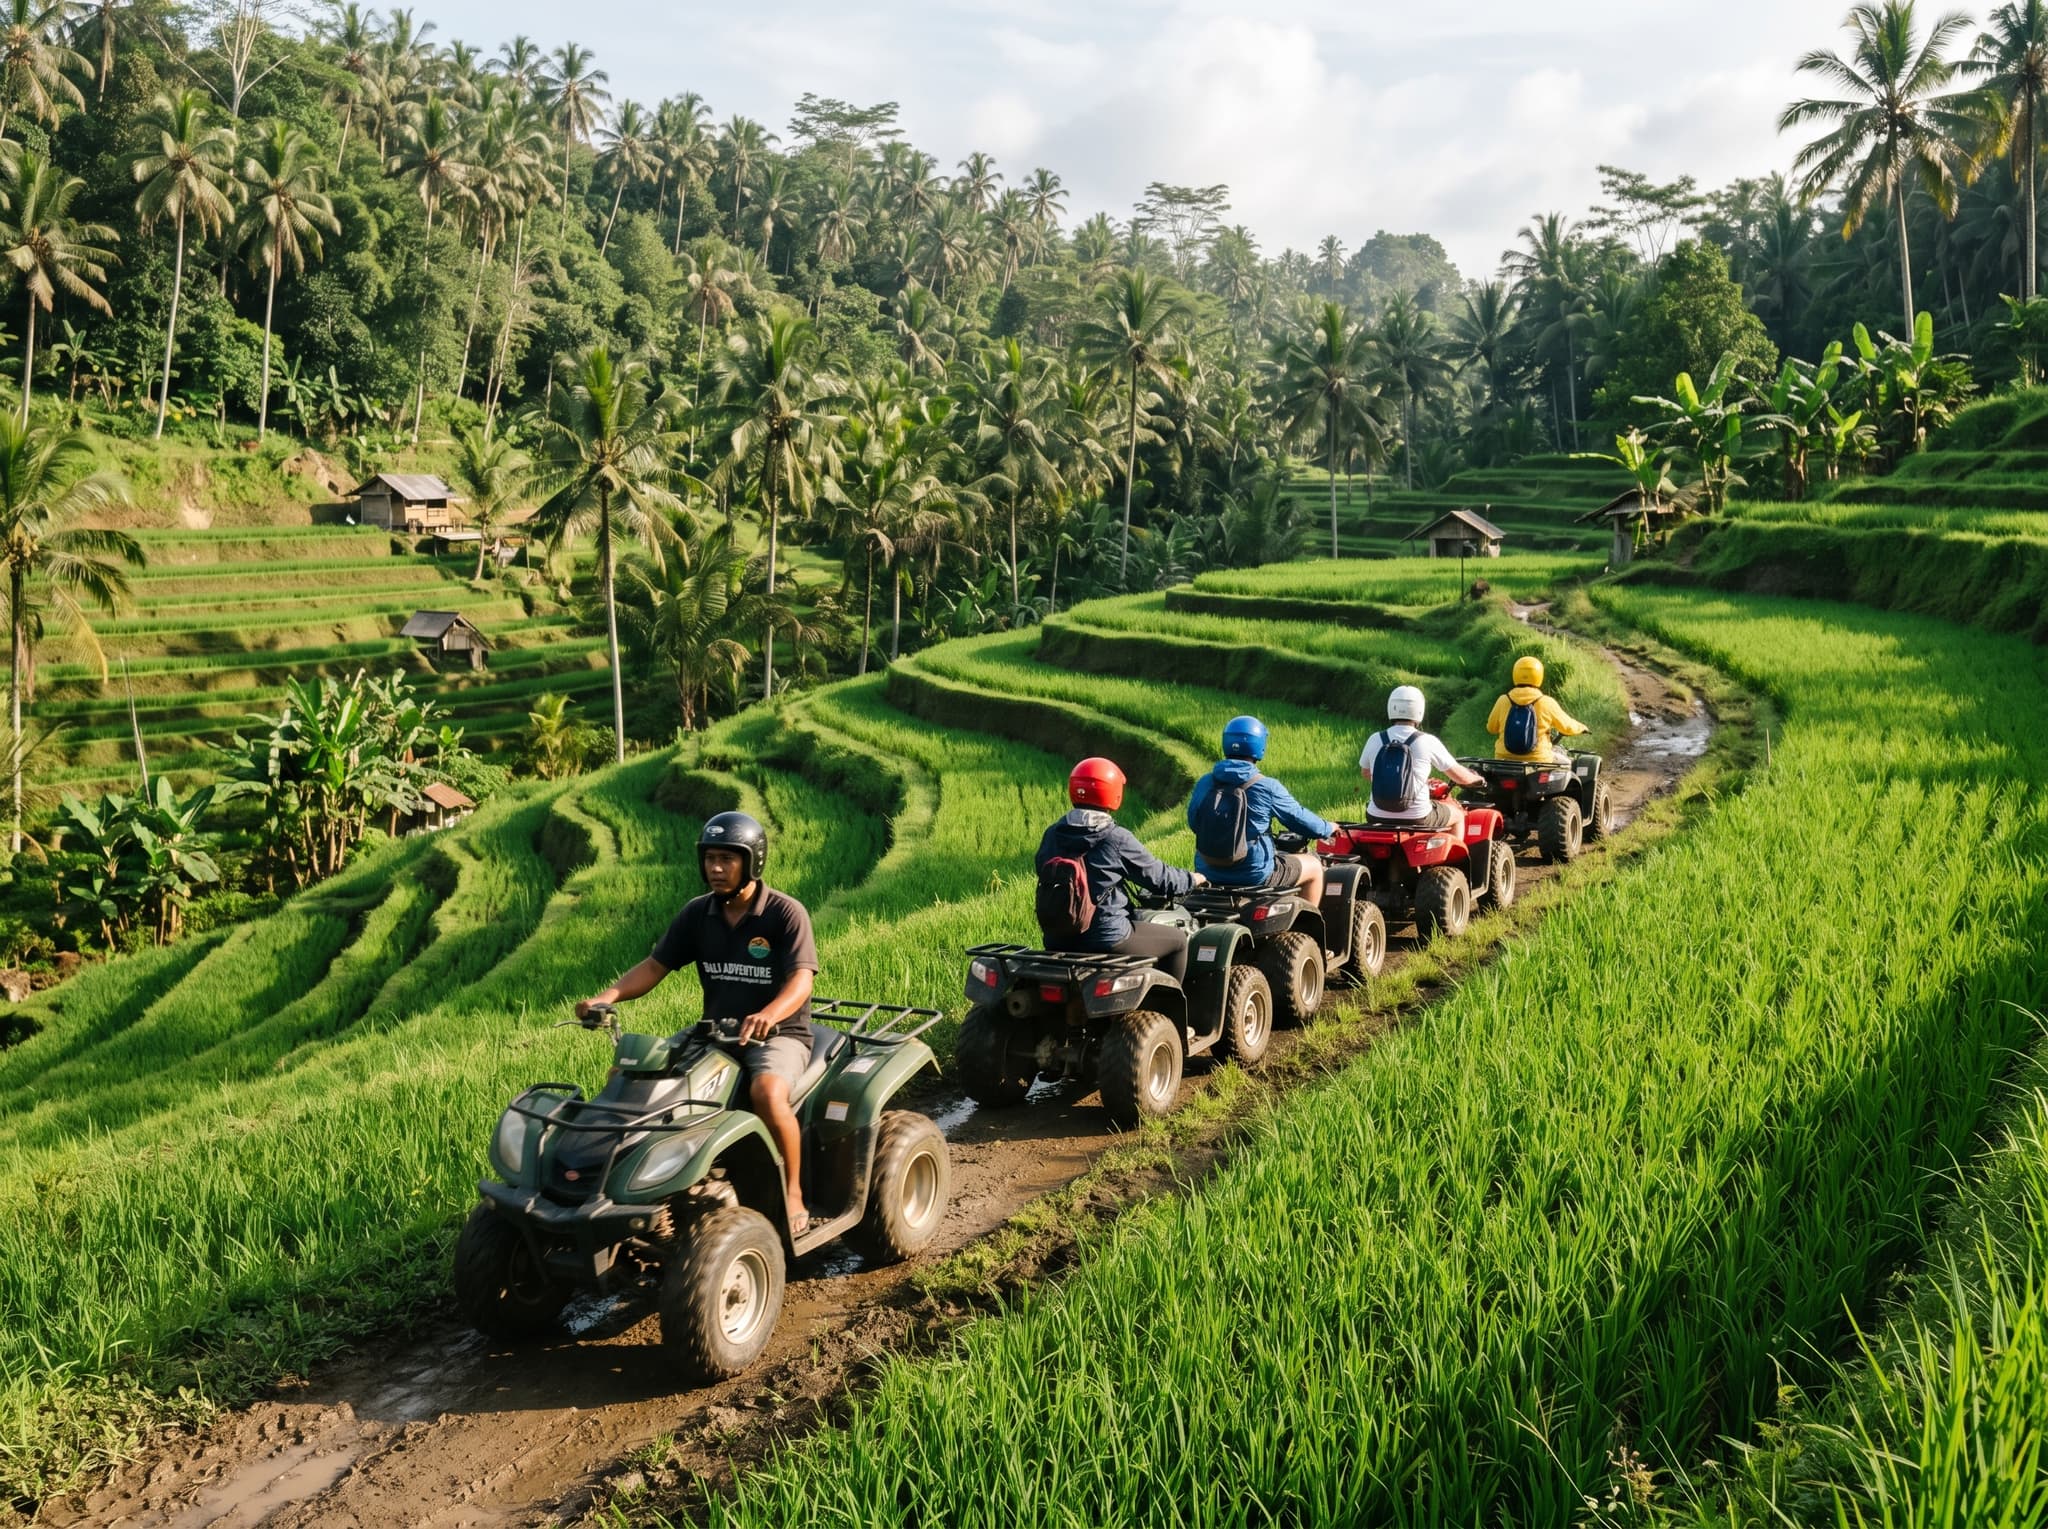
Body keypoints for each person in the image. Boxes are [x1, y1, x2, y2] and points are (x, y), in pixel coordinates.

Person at [578, 811, 820, 1235]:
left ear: (752, 861)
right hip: (715, 1031)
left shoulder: (785, 913)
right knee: (631, 1074)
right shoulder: (698, 914)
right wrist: (608, 996)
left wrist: (769, 1014)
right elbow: (655, 966)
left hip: (779, 1035)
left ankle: (793, 1190)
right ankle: (615, 1181)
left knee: (766, 1090)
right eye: (710, 858)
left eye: (727, 858)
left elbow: (801, 980)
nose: (716, 868)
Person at [1036, 757, 1206, 982]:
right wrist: (1193, 879)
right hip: (1106, 937)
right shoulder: (1115, 838)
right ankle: (1166, 1006)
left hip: (1056, 939)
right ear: (1114, 793)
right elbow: (1160, 879)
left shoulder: (1053, 833)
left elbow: (1042, 868)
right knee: (1177, 941)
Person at [1186, 715, 1335, 909]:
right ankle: (1308, 926)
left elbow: (1194, 822)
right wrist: (1327, 827)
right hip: (1254, 873)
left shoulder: (1205, 782)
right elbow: (1299, 819)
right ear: (1259, 746)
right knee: (1314, 867)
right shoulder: (1266, 786)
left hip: (1208, 869)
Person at [1361, 685, 1484, 832]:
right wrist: (1478, 780)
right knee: (1458, 814)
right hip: (1418, 817)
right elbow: (1460, 777)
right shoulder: (1427, 740)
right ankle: (1457, 856)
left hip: (1376, 815)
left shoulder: (1375, 739)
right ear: (1419, 710)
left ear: (1391, 707)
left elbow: (1366, 773)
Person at [1486, 654, 1589, 764]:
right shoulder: (1546, 702)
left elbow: (1491, 728)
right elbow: (1567, 727)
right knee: (1569, 764)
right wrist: (1581, 727)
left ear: (1515, 674)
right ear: (1539, 676)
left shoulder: (1503, 700)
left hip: (1504, 759)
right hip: (1539, 761)